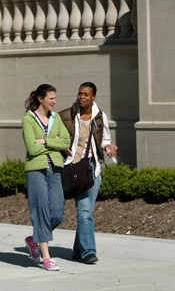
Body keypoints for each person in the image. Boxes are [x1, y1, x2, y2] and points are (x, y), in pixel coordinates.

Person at [59, 82, 117, 264]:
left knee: (86, 212)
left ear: (93, 97)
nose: (82, 97)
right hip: (73, 169)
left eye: (86, 94)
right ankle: (88, 251)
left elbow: (105, 138)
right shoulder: (65, 116)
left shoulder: (100, 116)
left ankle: (79, 251)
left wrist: (108, 147)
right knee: (84, 211)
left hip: (93, 169)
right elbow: (54, 138)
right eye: (80, 93)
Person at [22, 84, 70, 271]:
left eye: (55, 98)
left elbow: (66, 141)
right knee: (40, 210)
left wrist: (46, 141)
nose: (54, 102)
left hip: (55, 168)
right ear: (41, 99)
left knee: (57, 213)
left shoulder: (56, 117)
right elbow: (32, 149)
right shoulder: (28, 119)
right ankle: (47, 258)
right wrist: (55, 143)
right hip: (36, 169)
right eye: (51, 98)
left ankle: (34, 240)